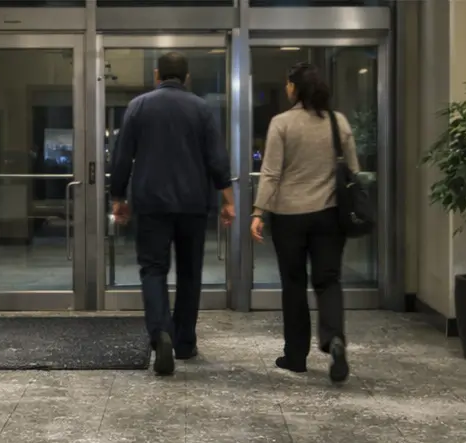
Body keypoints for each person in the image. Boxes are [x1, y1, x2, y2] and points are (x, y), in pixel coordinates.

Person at [109, 52, 235, 377]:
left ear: (157, 75)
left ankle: (160, 333)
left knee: (153, 269)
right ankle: (184, 341)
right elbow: (217, 159)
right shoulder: (202, 108)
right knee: (190, 273)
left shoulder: (139, 106)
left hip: (151, 203)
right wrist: (228, 199)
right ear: (187, 77)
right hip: (193, 204)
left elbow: (122, 156)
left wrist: (118, 196)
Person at [250, 62, 356, 384]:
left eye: (287, 84)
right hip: (329, 215)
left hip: (289, 218)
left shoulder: (282, 123)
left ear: (295, 88)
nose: (285, 89)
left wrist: (258, 212)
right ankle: (334, 340)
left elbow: (271, 172)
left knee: (293, 285)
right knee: (328, 281)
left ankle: (295, 357)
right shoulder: (339, 123)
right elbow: (352, 169)